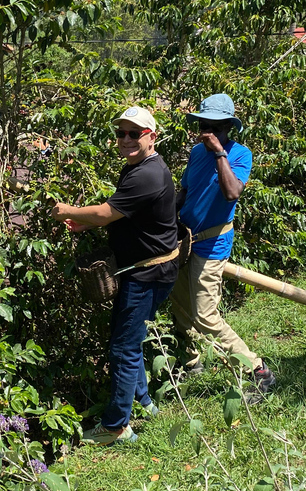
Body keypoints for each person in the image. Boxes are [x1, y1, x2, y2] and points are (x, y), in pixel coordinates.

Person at [51, 106, 179, 445]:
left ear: (152, 136)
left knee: (123, 347)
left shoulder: (146, 173)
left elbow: (108, 213)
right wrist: (87, 221)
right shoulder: (140, 167)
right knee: (131, 339)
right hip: (150, 269)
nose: (125, 139)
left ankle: (116, 426)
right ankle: (143, 401)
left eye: (134, 134)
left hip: (148, 274)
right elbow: (123, 213)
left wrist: (68, 211)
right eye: (121, 133)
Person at [170, 93, 275, 404]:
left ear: (228, 127)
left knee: (205, 314)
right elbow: (185, 191)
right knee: (179, 306)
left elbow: (231, 193)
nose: (207, 131)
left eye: (215, 127)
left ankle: (257, 370)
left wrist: (219, 154)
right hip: (184, 239)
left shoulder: (240, 155)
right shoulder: (195, 153)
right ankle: (191, 364)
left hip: (212, 245)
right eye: (203, 125)